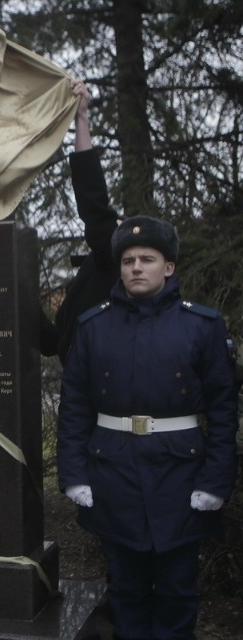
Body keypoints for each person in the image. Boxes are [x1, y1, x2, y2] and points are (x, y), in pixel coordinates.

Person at [57, 216, 239, 639]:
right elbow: (75, 409)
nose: (135, 267)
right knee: (126, 592)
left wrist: (215, 481)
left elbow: (224, 409)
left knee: (177, 593)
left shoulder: (202, 326)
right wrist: (74, 474)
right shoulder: (93, 326)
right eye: (128, 260)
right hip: (114, 475)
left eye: (147, 259)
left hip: (181, 475)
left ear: (168, 267)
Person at [40, 79, 120, 364]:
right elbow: (53, 343)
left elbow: (94, 204)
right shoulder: (86, 278)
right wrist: (13, 290)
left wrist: (82, 120)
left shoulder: (112, 266)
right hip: (76, 397)